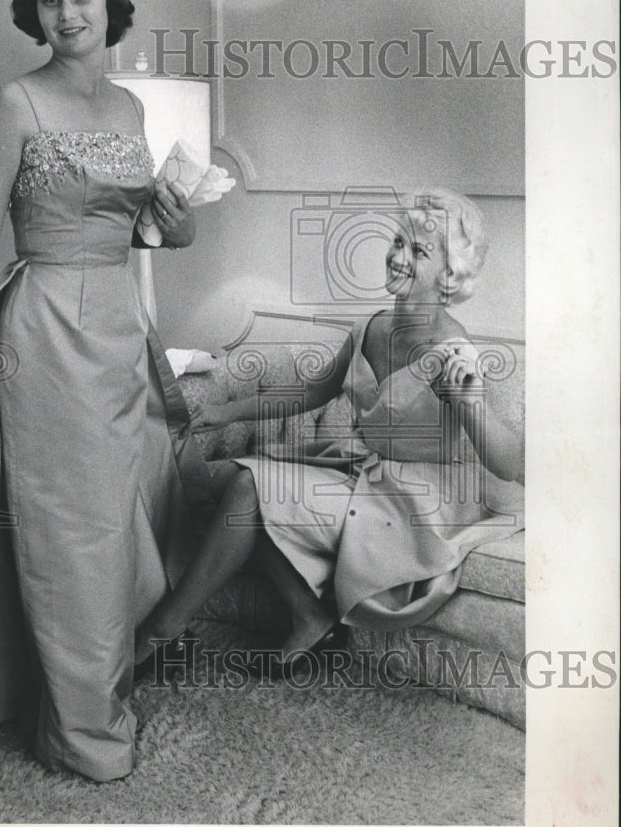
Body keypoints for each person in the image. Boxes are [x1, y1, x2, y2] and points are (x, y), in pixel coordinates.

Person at [0, 0, 217, 800]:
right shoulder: (16, 104)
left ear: (107, 5)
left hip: (121, 324)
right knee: (67, 534)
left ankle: (85, 695)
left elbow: (157, 230)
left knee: (124, 520)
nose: (66, 12)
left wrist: (176, 209)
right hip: (44, 328)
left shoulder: (129, 109)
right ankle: (86, 733)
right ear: (33, 13)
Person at [134, 189, 524, 674]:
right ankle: (305, 612)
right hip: (362, 473)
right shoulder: (373, 326)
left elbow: (510, 464)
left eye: (419, 251)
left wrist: (472, 405)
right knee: (208, 480)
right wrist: (229, 411)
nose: (399, 257)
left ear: (449, 276)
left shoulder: (452, 350)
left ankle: (162, 631)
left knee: (250, 486)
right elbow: (311, 392)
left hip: (415, 504)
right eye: (398, 241)